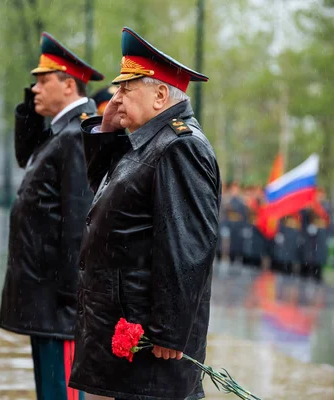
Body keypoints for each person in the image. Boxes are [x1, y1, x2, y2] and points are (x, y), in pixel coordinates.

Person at [69, 27, 221, 400]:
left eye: (126, 89)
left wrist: (169, 331)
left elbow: (186, 248)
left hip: (147, 344)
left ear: (159, 95)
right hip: (120, 329)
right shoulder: (147, 140)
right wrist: (104, 131)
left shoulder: (179, 147)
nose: (116, 99)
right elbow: (104, 190)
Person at [0, 32, 104, 400]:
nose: (35, 89)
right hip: (46, 298)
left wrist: (69, 294)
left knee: (60, 393)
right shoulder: (60, 132)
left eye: (43, 82)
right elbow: (24, 154)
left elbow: (79, 223)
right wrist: (33, 104)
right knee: (49, 392)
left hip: (59, 301)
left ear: (69, 85)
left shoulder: (76, 135)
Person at [300, 188, 330, 281]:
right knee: (309, 255)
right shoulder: (311, 205)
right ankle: (308, 273)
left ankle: (318, 275)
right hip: (310, 234)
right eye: (318, 194)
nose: (320, 197)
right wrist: (308, 226)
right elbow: (304, 218)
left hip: (321, 233)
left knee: (319, 255)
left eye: (322, 195)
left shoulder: (327, 206)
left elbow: (330, 220)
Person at [224, 181, 247, 263]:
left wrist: (244, 227)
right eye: (233, 189)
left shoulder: (241, 203)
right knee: (229, 247)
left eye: (236, 190)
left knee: (238, 245)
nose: (235, 191)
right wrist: (225, 226)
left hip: (238, 226)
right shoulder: (227, 201)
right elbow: (225, 215)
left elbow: (244, 216)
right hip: (230, 225)